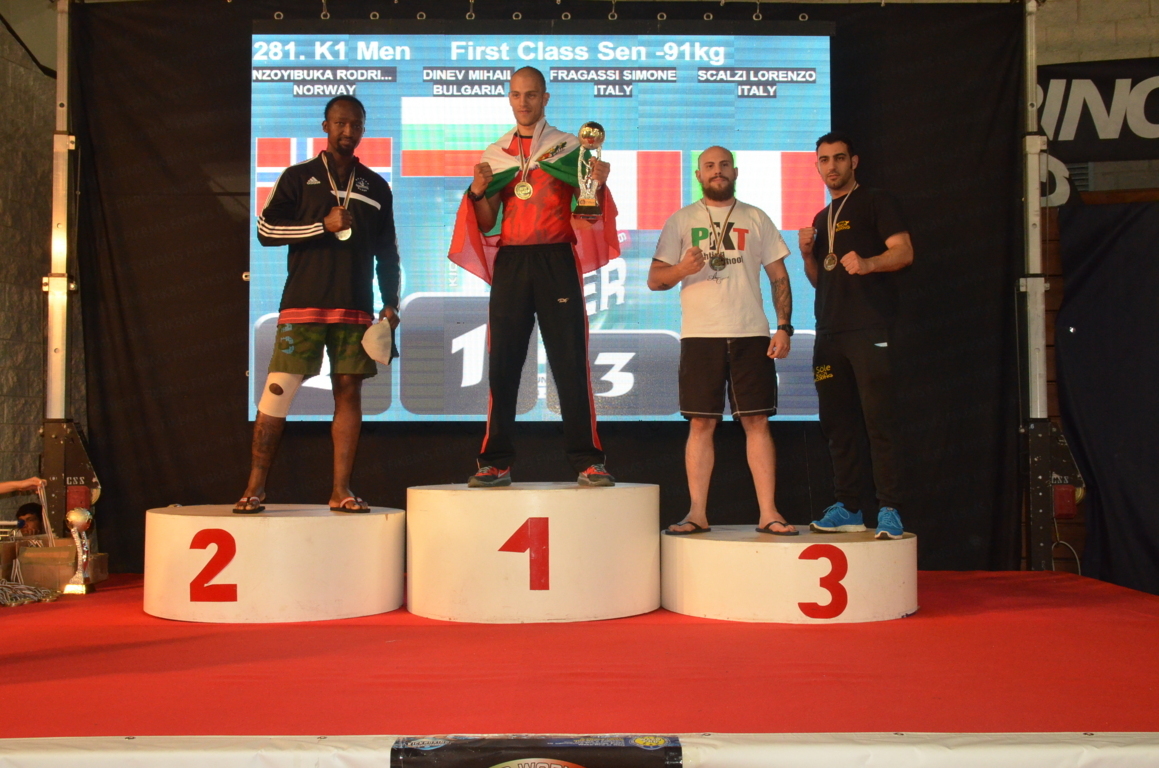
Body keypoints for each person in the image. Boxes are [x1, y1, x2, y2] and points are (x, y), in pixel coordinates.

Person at [449, 66, 620, 488]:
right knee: (503, 364)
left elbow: (587, 214)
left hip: (556, 259)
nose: (523, 102)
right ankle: (494, 462)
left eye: (531, 94)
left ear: (545, 98)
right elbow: (486, 221)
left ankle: (588, 461)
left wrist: (596, 186)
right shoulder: (496, 153)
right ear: (509, 98)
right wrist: (477, 192)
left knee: (570, 362)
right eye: (516, 94)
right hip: (512, 262)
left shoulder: (569, 147)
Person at [235, 95, 400, 514]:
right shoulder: (297, 176)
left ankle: (341, 490)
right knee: (278, 390)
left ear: (363, 129)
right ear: (325, 126)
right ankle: (254, 488)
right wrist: (321, 226)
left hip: (355, 306)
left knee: (348, 394)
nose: (348, 131)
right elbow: (266, 231)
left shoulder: (376, 186)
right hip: (303, 303)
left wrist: (391, 302)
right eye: (340, 123)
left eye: (355, 124)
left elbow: (387, 252)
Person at [649, 146, 798, 536]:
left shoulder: (756, 217)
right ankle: (697, 513)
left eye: (724, 165)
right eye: (710, 166)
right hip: (701, 334)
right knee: (701, 423)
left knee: (757, 421)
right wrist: (683, 268)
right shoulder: (681, 220)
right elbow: (655, 280)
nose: (718, 171)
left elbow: (779, 276)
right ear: (698, 175)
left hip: (751, 332)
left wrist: (784, 326)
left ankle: (769, 513)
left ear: (735, 171)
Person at [799, 132, 913, 539]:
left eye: (839, 158)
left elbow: (904, 252)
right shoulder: (820, 218)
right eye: (824, 160)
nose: (832, 166)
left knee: (879, 421)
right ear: (817, 166)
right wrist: (807, 256)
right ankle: (848, 506)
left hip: (869, 329)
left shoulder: (876, 201)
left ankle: (890, 509)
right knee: (837, 424)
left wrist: (869, 263)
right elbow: (822, 280)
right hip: (829, 333)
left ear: (854, 161)